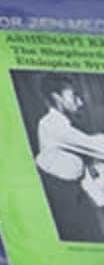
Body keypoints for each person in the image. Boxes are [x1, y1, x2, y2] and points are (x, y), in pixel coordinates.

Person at [31, 82, 104, 246]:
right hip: (79, 208)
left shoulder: (68, 123)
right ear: (57, 98)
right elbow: (96, 147)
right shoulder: (52, 125)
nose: (80, 102)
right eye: (74, 96)